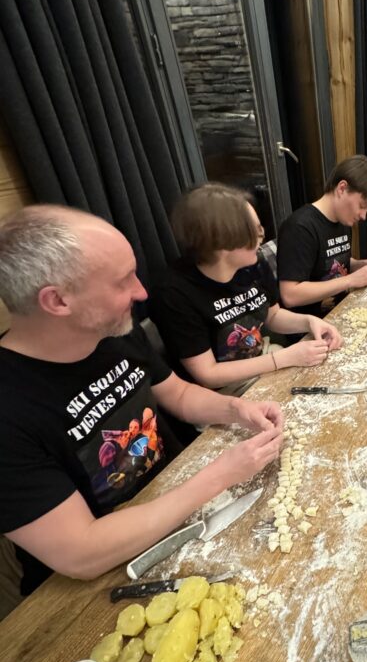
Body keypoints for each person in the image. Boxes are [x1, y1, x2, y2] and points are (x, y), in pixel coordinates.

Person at [0, 205, 284, 597]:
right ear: (58, 301)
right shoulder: (10, 409)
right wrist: (221, 475)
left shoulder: (112, 331)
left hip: (175, 498)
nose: (141, 291)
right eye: (122, 281)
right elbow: (81, 554)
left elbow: (179, 393)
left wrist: (235, 409)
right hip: (102, 580)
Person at [149, 184, 342, 391]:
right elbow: (208, 375)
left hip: (264, 359)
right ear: (222, 243)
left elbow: (273, 316)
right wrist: (283, 358)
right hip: (222, 393)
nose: (262, 236)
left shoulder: (253, 264)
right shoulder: (174, 293)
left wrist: (309, 322)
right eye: (254, 232)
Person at [277, 156, 367, 318]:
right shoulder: (300, 227)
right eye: (362, 206)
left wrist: (366, 264)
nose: (363, 216)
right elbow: (290, 295)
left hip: (341, 310)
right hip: (309, 328)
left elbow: (337, 262)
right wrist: (350, 280)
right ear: (342, 188)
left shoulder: (343, 221)